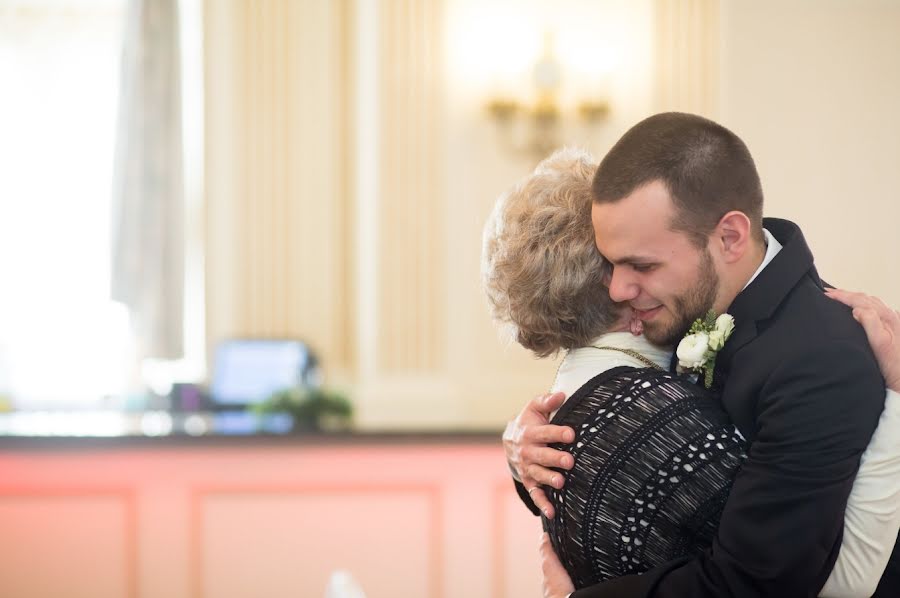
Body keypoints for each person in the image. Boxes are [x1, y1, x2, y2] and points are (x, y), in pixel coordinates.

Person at [502, 112, 900, 597]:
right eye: (610, 264)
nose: (619, 288)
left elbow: (749, 585)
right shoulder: (691, 303)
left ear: (730, 237)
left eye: (640, 265)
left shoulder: (819, 360)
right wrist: (525, 449)